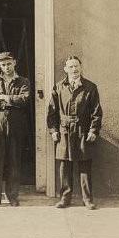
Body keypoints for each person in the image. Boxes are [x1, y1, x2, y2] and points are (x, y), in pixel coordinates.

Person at [46, 55, 102, 210]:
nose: (74, 69)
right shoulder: (58, 87)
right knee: (64, 165)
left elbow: (96, 112)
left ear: (81, 67)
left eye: (76, 66)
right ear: (65, 69)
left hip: (82, 130)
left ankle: (87, 199)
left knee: (84, 164)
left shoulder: (90, 87)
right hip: (64, 130)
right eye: (70, 67)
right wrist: (53, 130)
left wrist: (93, 130)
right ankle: (65, 198)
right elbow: (51, 112)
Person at [0, 51, 31, 208]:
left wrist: (4, 97)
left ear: (15, 63)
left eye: (9, 63)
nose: (6, 67)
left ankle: (12, 195)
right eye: (3, 65)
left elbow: (24, 100)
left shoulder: (23, 81)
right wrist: (11, 101)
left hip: (16, 124)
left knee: (14, 160)